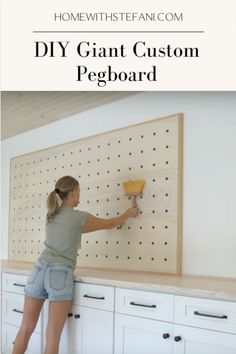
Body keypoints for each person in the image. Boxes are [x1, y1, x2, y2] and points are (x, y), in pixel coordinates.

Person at [12, 175, 139, 354]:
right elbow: (109, 224)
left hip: (38, 270)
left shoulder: (51, 214)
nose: (80, 195)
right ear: (72, 192)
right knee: (53, 337)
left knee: (25, 329)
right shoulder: (79, 218)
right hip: (60, 274)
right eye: (79, 191)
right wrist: (128, 214)